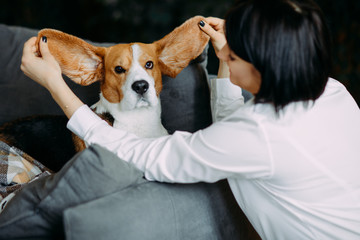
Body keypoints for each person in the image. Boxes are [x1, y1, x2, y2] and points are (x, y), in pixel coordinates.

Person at [14, 0, 360, 239]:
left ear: (262, 65)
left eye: (233, 53)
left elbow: (145, 156)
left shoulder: (259, 134)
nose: (221, 50)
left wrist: (53, 84)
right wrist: (226, 65)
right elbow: (237, 133)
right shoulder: (333, 93)